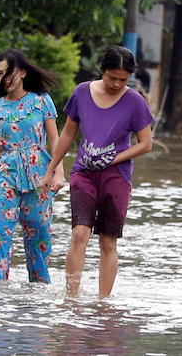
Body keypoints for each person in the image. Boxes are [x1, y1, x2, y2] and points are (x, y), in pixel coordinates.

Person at [42, 46, 153, 296]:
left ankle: (103, 303)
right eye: (112, 77)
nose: (117, 84)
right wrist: (51, 170)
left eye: (124, 80)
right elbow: (69, 133)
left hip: (117, 177)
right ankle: (71, 298)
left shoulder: (135, 101)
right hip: (84, 171)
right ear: (102, 70)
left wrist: (113, 158)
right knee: (80, 233)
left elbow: (146, 144)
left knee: (107, 240)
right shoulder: (82, 92)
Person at [0, 49, 64, 283]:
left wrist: (58, 172)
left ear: (22, 72)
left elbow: (54, 140)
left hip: (39, 174)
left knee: (38, 238)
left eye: (9, 72)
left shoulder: (41, 100)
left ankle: (39, 297)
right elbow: (0, 146)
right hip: (6, 175)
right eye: (0, 73)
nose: (4, 78)